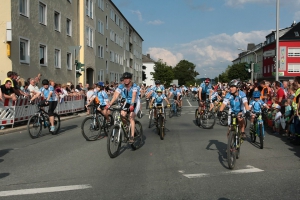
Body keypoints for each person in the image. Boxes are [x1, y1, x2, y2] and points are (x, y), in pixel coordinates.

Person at [108, 72, 139, 143]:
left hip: (135, 102)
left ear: (130, 79)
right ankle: (126, 127)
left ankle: (132, 136)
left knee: (131, 117)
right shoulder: (121, 86)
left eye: (127, 78)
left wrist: (132, 105)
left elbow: (134, 95)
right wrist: (110, 104)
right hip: (127, 102)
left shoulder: (134, 86)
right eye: (125, 78)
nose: (126, 80)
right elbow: (115, 96)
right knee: (122, 115)